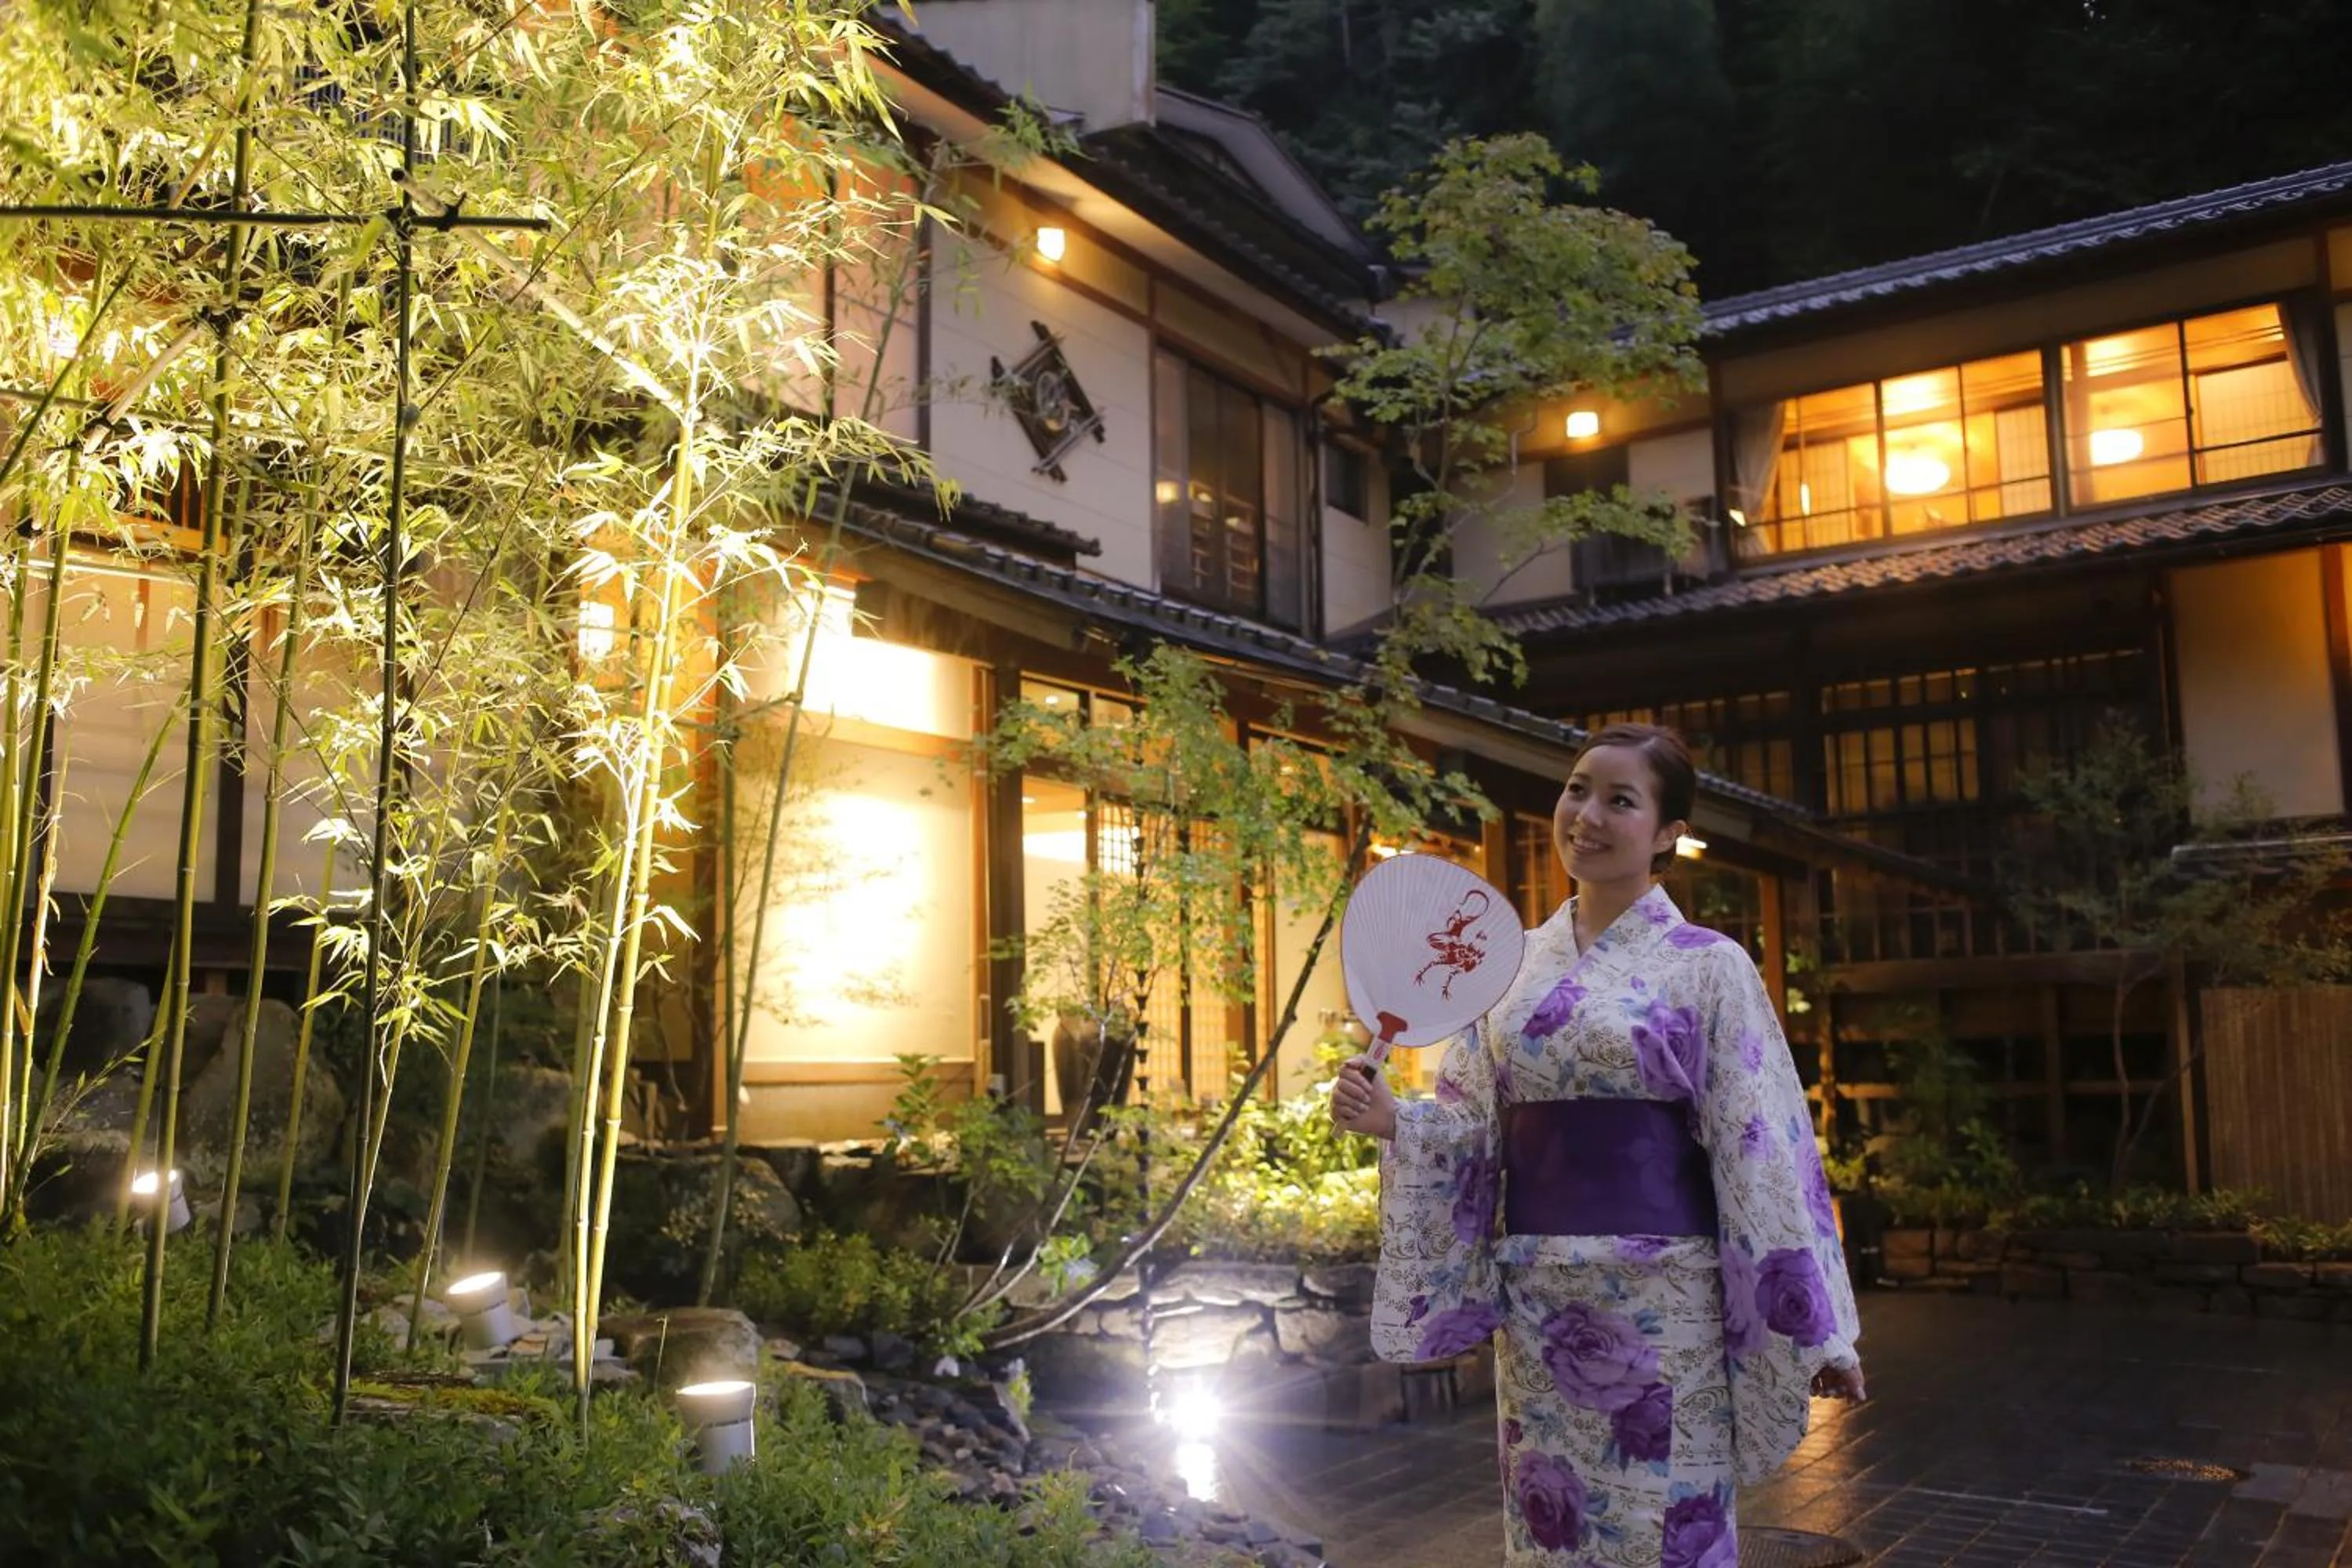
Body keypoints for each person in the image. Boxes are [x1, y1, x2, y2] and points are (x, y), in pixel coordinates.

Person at [1330, 723, 1865, 1566]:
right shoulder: (1508, 969)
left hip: (1664, 1303)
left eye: (1621, 799)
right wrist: (1397, 1120)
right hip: (1539, 1301)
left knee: (1666, 1528)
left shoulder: (1709, 965)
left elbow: (1759, 1144)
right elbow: (1473, 1119)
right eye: (1578, 788)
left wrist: (1820, 1327)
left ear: (1665, 834)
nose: (1587, 812)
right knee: (1552, 1532)